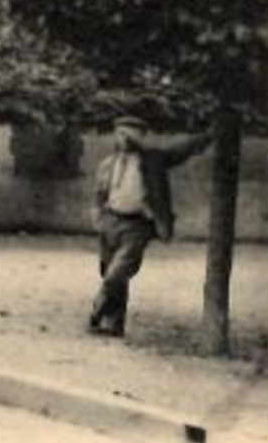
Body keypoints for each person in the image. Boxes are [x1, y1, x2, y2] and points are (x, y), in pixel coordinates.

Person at [89, 115, 213, 337]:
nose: (125, 140)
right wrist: (98, 218)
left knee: (115, 274)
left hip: (138, 224)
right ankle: (114, 323)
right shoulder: (108, 164)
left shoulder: (154, 160)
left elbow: (182, 150)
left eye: (130, 135)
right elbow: (99, 194)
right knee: (112, 273)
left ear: (140, 137)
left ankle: (98, 311)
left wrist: (211, 134)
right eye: (121, 134)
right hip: (110, 222)